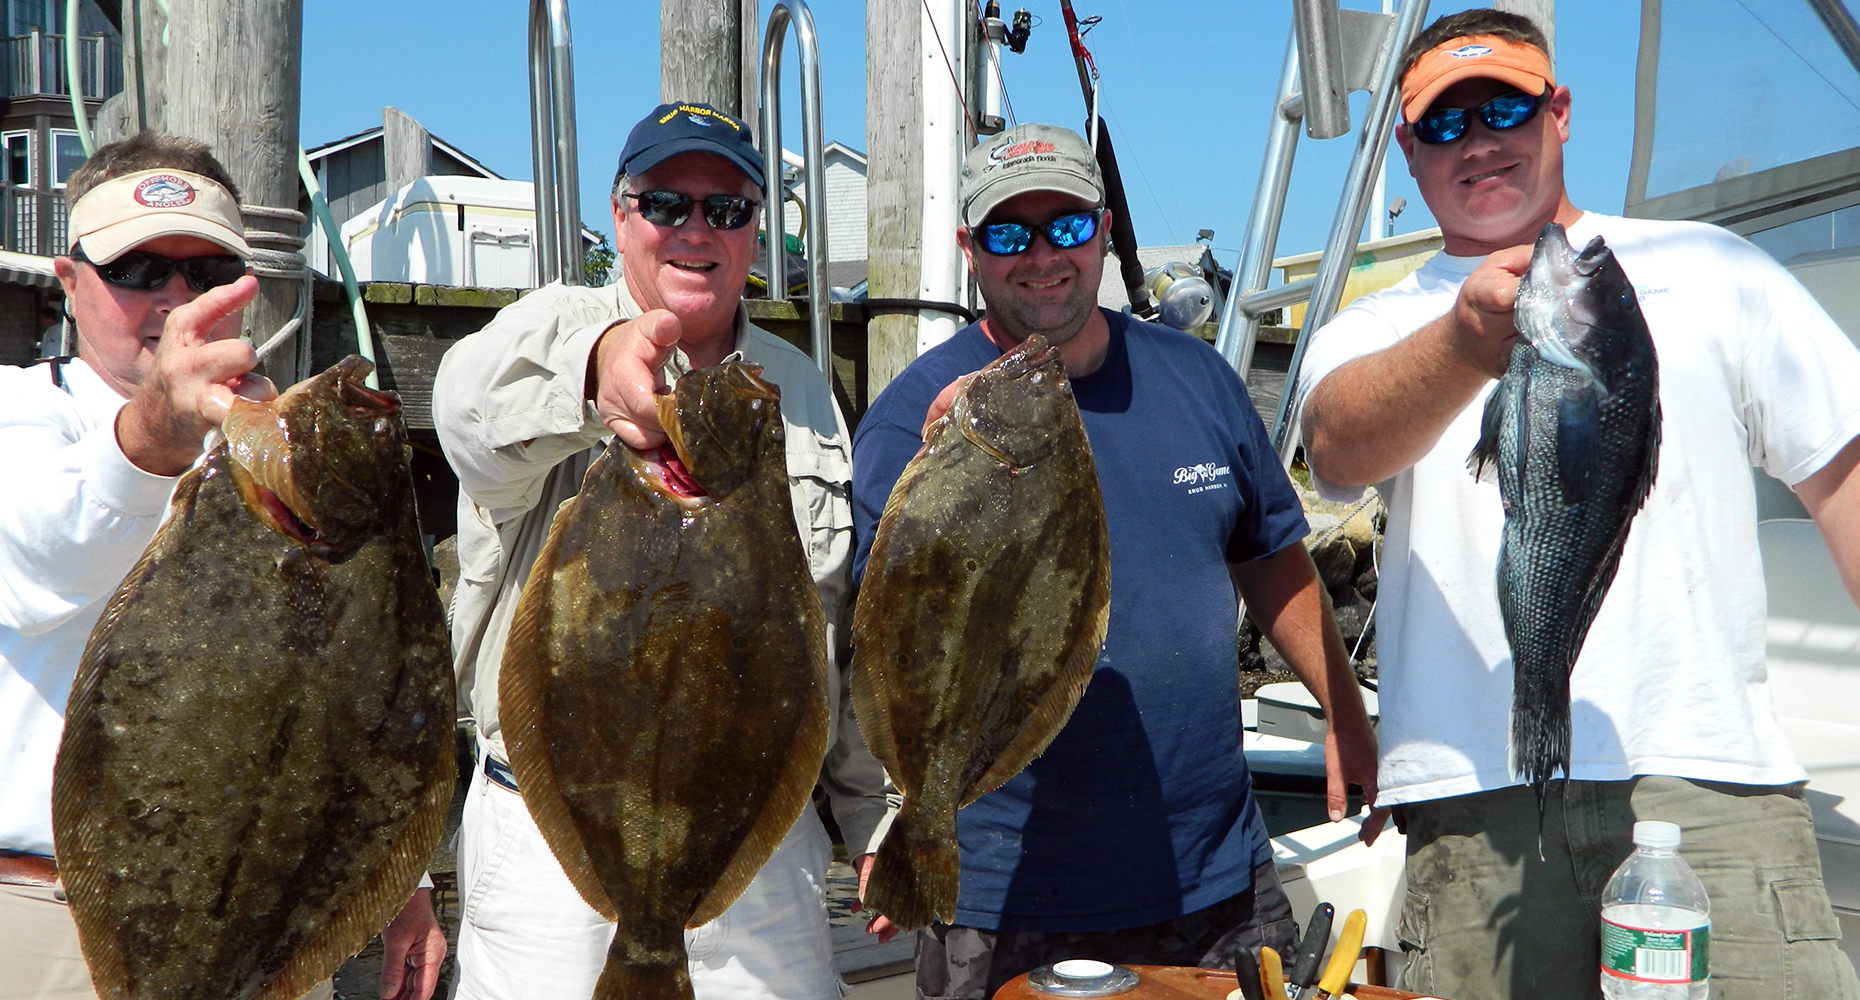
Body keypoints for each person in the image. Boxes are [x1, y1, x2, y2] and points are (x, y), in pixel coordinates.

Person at [1294, 11, 1860, 1000]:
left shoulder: (1716, 269)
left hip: (1711, 778)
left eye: (1504, 107)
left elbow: (1843, 479)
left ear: (1558, 112)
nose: (1479, 140)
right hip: (1478, 803)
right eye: (1444, 124)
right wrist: (1466, 344)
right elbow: (1338, 444)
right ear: (1409, 151)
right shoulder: (1380, 321)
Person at [848, 122, 1381, 999]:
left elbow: (1271, 557)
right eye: (1010, 234)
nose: (1043, 256)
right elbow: (889, 630)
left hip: (1211, 877)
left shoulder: (1198, 379)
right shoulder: (915, 418)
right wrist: (932, 480)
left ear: (1103, 231)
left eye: (1067, 226)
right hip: (999, 891)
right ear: (969, 249)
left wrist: (1346, 715)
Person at [431, 101, 892, 1000]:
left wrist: (873, 818)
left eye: (726, 209)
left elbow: (825, 634)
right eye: (664, 203)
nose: (694, 228)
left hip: (755, 844)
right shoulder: (555, 331)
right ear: (620, 216)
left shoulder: (796, 388)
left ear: (757, 231)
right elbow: (466, 414)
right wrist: (600, 368)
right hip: (554, 847)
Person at [0, 132, 447, 1000]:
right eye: (139, 271)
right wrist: (154, 437)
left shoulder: (285, 445)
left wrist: (403, 881)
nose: (175, 296)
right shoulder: (20, 414)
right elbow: (37, 560)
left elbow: (378, 681)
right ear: (70, 283)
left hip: (274, 927)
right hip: (40, 915)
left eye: (207, 272)